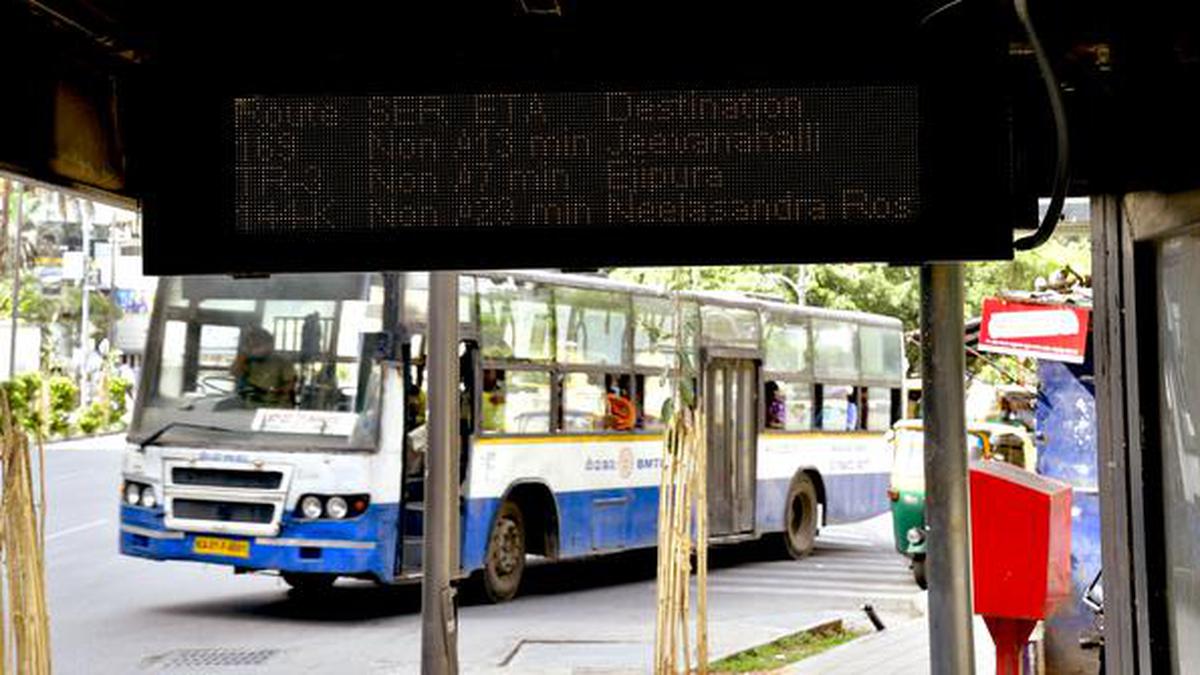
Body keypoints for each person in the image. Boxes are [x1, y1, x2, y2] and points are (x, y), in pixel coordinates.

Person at [231, 327, 296, 407]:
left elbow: (290, 384)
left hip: (275, 406)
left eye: (257, 345)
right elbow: (235, 373)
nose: (254, 349)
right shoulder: (247, 360)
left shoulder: (282, 361)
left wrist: (273, 391)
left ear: (270, 345)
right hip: (250, 406)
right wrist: (242, 356)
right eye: (250, 346)